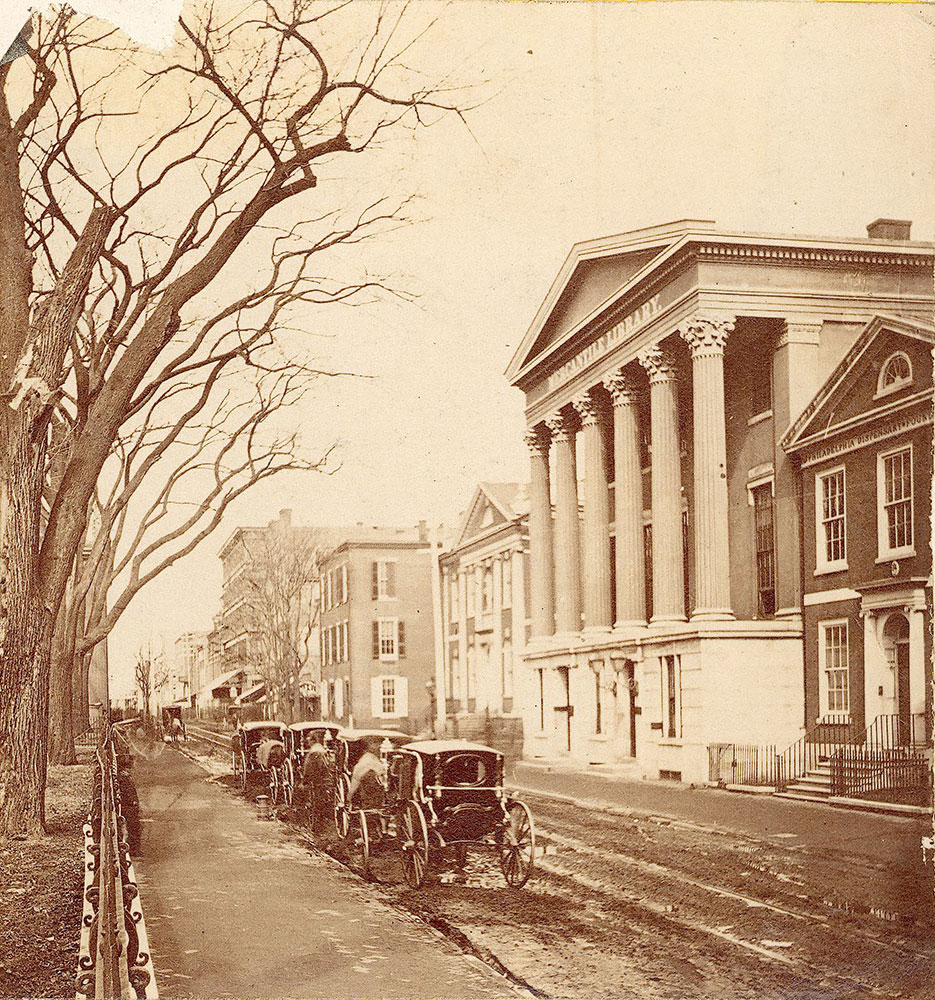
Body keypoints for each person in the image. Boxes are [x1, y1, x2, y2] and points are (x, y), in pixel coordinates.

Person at [301, 732, 331, 832]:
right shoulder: (322, 750)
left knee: (314, 801)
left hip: (316, 780)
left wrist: (305, 780)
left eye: (309, 740)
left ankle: (315, 825)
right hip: (325, 778)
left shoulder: (313, 752)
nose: (308, 743)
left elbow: (308, 768)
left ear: (313, 741)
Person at [349, 737, 387, 811]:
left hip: (376, 788)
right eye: (376, 743)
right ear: (370, 745)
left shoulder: (375, 757)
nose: (379, 746)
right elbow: (356, 779)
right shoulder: (367, 759)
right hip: (369, 789)